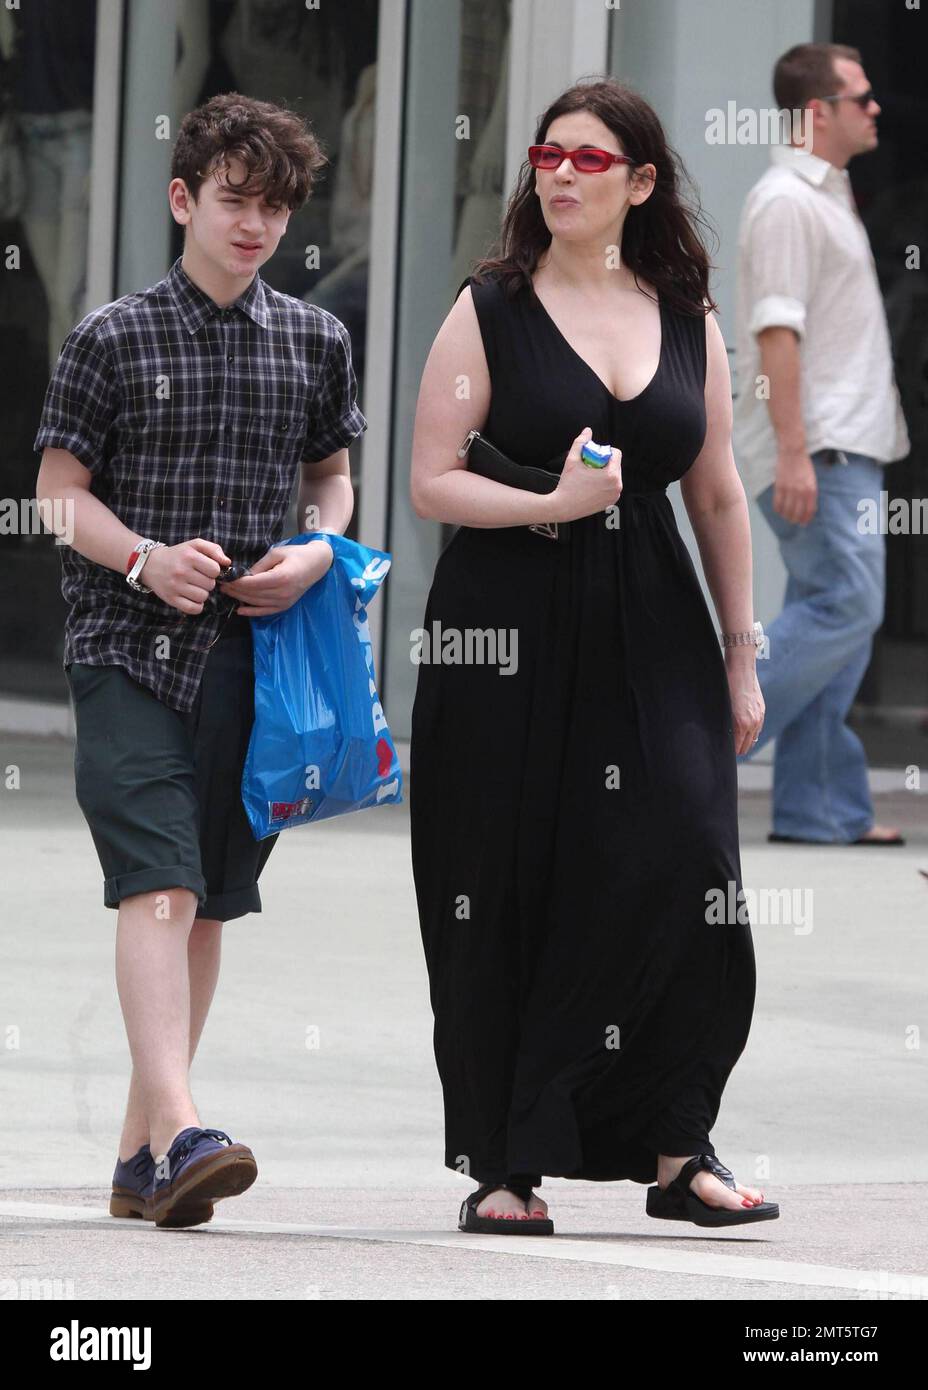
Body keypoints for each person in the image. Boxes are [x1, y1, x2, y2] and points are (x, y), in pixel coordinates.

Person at [409, 77, 778, 1234]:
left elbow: (716, 494)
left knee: (688, 869)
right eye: (547, 154)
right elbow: (431, 477)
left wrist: (739, 654)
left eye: (587, 159)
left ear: (640, 182)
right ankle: (509, 1161)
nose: (560, 174)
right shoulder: (490, 305)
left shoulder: (686, 310)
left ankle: (680, 1148)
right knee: (509, 880)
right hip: (503, 631)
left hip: (656, 621)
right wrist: (552, 505)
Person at [33, 93, 366, 1228]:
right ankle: (181, 1127)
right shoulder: (110, 336)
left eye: (274, 206)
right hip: (125, 648)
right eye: (234, 200)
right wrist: (142, 561)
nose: (256, 224)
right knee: (160, 884)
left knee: (208, 904)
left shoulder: (316, 339)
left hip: (253, 661)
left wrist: (319, 546)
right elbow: (54, 497)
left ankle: (141, 1159)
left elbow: (333, 477)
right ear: (183, 199)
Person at [733, 43, 910, 845]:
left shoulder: (828, 195)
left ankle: (819, 808)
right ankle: (693, 746)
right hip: (822, 452)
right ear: (818, 112)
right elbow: (778, 336)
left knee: (824, 609)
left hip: (845, 446)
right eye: (860, 98)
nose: (875, 109)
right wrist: (796, 453)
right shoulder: (787, 201)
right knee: (848, 604)